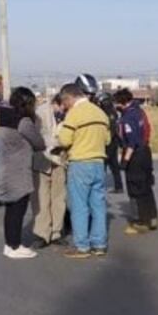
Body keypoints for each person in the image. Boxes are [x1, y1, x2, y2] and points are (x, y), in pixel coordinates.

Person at [57, 82, 110, 258]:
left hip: (80, 163)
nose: (64, 107)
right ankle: (99, 244)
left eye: (64, 103)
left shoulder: (74, 114)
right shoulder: (100, 113)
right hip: (99, 163)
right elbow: (108, 139)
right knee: (98, 206)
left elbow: (64, 140)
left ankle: (81, 246)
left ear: (68, 98)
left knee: (79, 206)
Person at [0, 87, 46, 259]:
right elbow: (39, 143)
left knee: (10, 211)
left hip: (4, 169)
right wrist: (36, 123)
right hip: (18, 173)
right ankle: (15, 247)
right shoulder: (23, 122)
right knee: (18, 211)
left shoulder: (3, 118)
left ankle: (9, 245)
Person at [114, 88, 158, 234]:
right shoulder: (139, 111)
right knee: (146, 186)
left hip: (135, 155)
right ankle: (152, 217)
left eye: (117, 103)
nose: (115, 106)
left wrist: (125, 161)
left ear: (122, 102)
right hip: (145, 152)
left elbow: (131, 142)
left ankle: (140, 221)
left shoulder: (127, 118)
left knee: (135, 188)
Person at [31, 94, 67, 248]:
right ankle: (42, 233)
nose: (64, 110)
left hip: (59, 160)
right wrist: (58, 142)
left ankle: (56, 233)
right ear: (56, 103)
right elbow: (39, 136)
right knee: (41, 199)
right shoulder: (40, 113)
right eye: (63, 106)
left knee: (59, 198)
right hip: (42, 159)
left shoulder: (67, 114)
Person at [97, 92, 125, 194]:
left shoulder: (106, 113)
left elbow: (111, 129)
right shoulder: (113, 112)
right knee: (114, 165)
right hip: (114, 141)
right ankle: (119, 186)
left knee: (103, 165)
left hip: (108, 142)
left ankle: (100, 187)